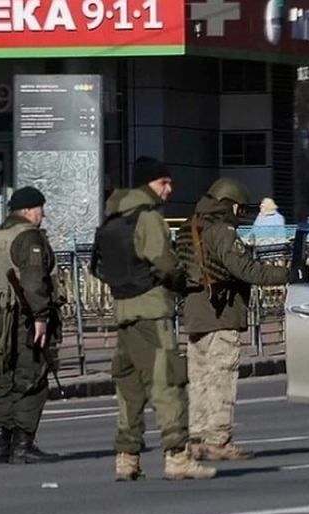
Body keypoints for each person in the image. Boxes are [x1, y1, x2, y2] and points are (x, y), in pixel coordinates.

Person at [93, 156, 216, 481]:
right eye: (164, 182)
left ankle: (127, 458)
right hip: (151, 310)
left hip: (123, 311)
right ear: (150, 184)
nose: (170, 189)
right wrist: (180, 282)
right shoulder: (148, 218)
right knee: (167, 381)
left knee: (129, 386)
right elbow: (165, 263)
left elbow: (101, 266)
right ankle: (177, 457)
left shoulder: (111, 219)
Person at [181, 178, 295, 461]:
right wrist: (287, 275)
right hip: (221, 313)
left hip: (195, 313)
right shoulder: (223, 231)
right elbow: (244, 269)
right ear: (231, 204)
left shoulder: (189, 226)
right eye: (239, 208)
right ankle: (218, 440)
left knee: (198, 379)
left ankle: (196, 438)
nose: (240, 213)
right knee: (221, 377)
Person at [0, 186, 60, 465]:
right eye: (40, 208)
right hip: (24, 318)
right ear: (27, 211)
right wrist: (41, 318)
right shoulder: (29, 238)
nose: (43, 214)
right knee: (32, 377)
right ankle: (23, 443)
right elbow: (34, 282)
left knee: (5, 378)